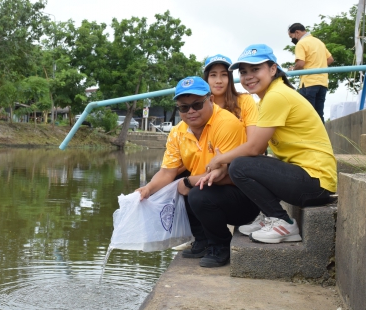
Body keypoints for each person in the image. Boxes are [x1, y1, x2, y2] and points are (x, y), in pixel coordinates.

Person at [199, 44, 337, 244]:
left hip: (315, 181)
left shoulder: (276, 96)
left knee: (240, 165)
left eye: (256, 69)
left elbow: (254, 147)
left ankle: (283, 222)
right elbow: (259, 150)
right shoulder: (269, 97)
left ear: (273, 69)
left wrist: (220, 159)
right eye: (244, 72)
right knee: (248, 163)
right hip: (312, 180)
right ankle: (271, 216)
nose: (249, 77)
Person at [136, 76, 260, 267]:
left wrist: (189, 182)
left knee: (196, 193)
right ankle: (202, 240)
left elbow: (230, 175)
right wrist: (148, 189)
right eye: (184, 108)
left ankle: (220, 245)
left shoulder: (226, 123)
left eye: (196, 105)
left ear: (210, 100)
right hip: (209, 188)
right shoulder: (178, 132)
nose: (191, 111)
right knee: (175, 181)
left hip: (242, 199)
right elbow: (167, 172)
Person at [203, 54, 259, 140]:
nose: (218, 81)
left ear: (230, 78)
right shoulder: (199, 106)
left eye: (224, 75)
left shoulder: (245, 100)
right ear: (206, 78)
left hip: (243, 153)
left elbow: (254, 142)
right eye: (213, 75)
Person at [288, 23, 334, 123]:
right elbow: (330, 59)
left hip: (309, 83)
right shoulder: (319, 42)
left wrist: (292, 70)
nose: (292, 40)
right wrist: (318, 65)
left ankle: (310, 138)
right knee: (319, 113)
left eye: (291, 37)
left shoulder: (301, 43)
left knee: (307, 113)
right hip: (322, 82)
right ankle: (322, 137)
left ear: (297, 32)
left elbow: (300, 64)